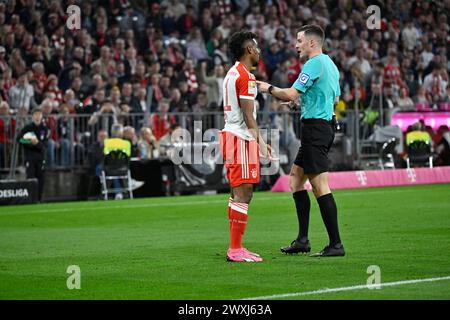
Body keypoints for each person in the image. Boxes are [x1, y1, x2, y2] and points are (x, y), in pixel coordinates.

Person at [257, 25, 345, 257]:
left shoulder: (313, 63)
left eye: (299, 41)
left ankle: (336, 244)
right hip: (320, 126)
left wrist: (267, 88)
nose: (295, 45)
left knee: (319, 185)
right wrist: (303, 102)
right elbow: (333, 97)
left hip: (316, 128)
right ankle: (303, 240)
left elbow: (291, 93)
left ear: (312, 43)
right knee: (295, 180)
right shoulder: (330, 64)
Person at [220, 31, 273, 263]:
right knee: (244, 192)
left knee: (237, 193)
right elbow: (249, 117)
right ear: (249, 50)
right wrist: (262, 144)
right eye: (256, 46)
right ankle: (235, 249)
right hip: (240, 138)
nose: (259, 50)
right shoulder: (246, 77)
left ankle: (236, 246)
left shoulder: (232, 73)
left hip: (231, 135)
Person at [16, 108, 49, 202]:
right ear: (32, 116)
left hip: (41, 157)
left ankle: (39, 199)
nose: (37, 116)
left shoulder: (44, 129)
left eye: (39, 114)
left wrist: (37, 143)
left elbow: (45, 144)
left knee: (41, 178)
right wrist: (29, 142)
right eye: (35, 114)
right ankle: (30, 199)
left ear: (42, 116)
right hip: (30, 156)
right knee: (30, 177)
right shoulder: (27, 128)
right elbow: (19, 139)